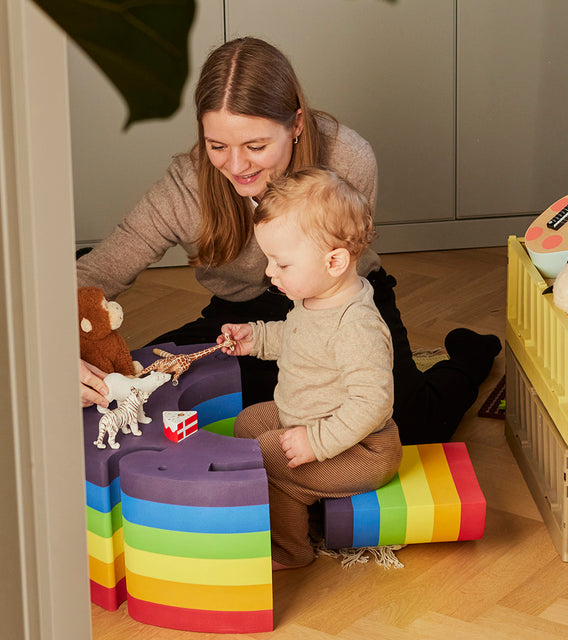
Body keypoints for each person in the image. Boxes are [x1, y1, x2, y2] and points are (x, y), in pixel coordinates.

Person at [76, 36, 501, 444]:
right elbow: (96, 272)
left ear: (296, 124)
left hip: (338, 300)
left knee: (405, 425)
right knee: (150, 388)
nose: (236, 165)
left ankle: (469, 358)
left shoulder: (347, 157)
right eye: (217, 145)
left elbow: (337, 275)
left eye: (256, 145)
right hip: (243, 313)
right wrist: (58, 351)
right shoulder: (186, 186)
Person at [217, 168, 402, 568]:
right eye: (268, 260)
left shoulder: (357, 326)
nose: (270, 272)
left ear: (334, 261)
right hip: (306, 418)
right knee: (248, 424)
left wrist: (317, 441)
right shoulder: (317, 297)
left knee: (267, 455)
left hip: (363, 449)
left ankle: (291, 550)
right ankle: (297, 494)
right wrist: (258, 338)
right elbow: (299, 338)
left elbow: (373, 403)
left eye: (281, 264)